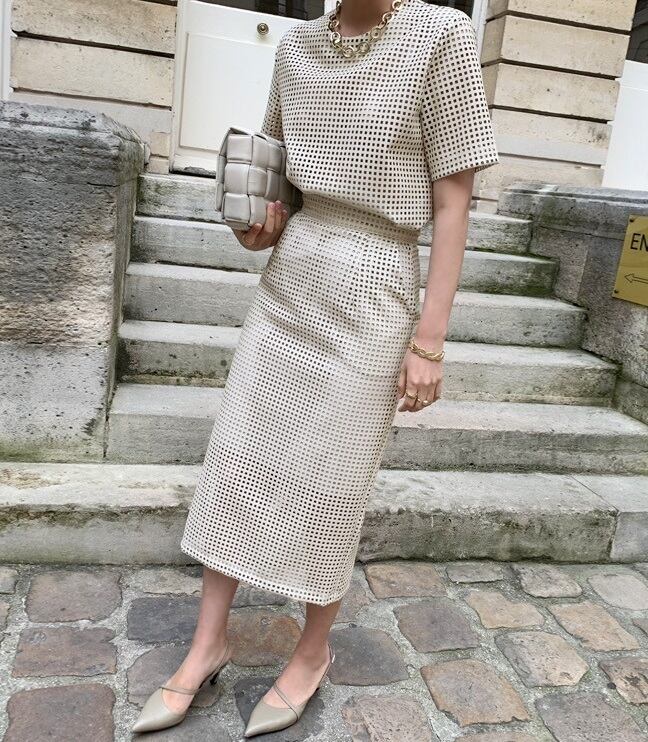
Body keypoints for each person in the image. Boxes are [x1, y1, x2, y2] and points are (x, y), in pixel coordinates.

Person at [132, 0, 499, 736]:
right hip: (292, 279)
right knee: (238, 456)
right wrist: (257, 225)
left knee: (334, 478)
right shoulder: (296, 47)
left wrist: (430, 339)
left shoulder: (443, 35)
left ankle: (312, 650)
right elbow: (282, 184)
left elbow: (454, 202)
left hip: (377, 281)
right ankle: (208, 643)